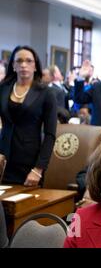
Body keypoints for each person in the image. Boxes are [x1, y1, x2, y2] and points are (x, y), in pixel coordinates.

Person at [0, 46, 57, 186]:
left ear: (35, 65)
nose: (23, 65)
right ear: (13, 65)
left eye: (28, 61)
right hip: (3, 159)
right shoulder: (2, 89)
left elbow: (50, 134)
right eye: (19, 61)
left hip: (30, 163)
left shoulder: (46, 93)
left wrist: (38, 169)